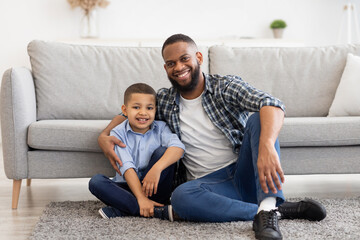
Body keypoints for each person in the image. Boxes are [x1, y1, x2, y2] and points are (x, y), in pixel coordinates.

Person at [98, 34, 326, 240]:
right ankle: (271, 211)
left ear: (198, 57)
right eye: (171, 64)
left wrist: (266, 145)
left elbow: (272, 104)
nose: (178, 67)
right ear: (166, 68)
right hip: (206, 186)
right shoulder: (164, 100)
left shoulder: (225, 86)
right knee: (180, 197)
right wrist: (104, 136)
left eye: (184, 59)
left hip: (242, 170)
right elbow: (129, 113)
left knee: (258, 118)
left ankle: (267, 207)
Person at [89, 83, 185, 220]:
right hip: (129, 187)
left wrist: (156, 169)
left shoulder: (162, 128)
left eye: (149, 108)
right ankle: (154, 210)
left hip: (156, 188)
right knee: (96, 182)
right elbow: (126, 166)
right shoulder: (118, 132)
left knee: (163, 152)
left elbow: (179, 148)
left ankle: (124, 209)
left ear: (155, 110)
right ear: (125, 110)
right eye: (136, 107)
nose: (143, 113)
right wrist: (140, 197)